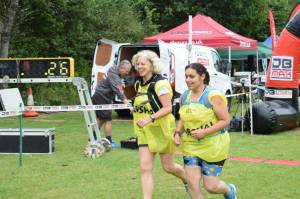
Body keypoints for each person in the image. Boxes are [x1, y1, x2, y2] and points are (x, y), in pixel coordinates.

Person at [173, 63, 237, 199]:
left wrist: (205, 132)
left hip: (214, 146)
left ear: (202, 76)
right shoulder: (185, 97)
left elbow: (226, 120)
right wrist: (178, 133)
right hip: (191, 145)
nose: (188, 80)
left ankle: (228, 190)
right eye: (186, 76)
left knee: (211, 187)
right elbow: (184, 118)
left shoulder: (213, 96)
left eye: (192, 76)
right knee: (192, 184)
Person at [131, 50, 187, 199]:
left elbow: (168, 108)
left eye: (143, 63)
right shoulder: (138, 84)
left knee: (168, 167)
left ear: (152, 64)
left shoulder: (161, 83)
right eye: (137, 64)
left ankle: (187, 180)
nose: (139, 66)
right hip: (144, 132)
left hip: (162, 130)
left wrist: (150, 118)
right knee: (145, 168)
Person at [92, 60, 132, 148]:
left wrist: (121, 83)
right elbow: (117, 89)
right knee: (108, 120)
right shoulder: (114, 75)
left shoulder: (115, 72)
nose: (127, 73)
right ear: (121, 68)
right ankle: (109, 141)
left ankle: (93, 138)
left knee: (101, 119)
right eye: (126, 71)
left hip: (101, 96)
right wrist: (125, 100)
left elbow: (116, 83)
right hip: (102, 97)